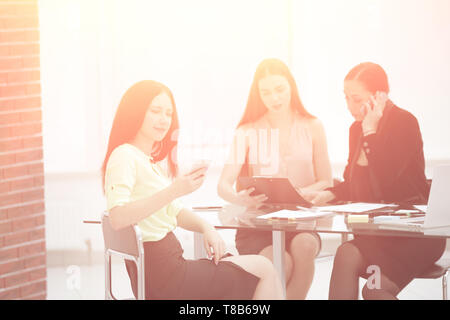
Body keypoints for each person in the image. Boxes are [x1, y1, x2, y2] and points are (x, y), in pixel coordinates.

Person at [101, 80, 284, 300]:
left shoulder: (147, 161)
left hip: (166, 271)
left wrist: (206, 227)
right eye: (155, 111)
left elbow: (174, 211)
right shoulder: (124, 156)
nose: (163, 120)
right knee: (264, 269)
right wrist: (175, 190)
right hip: (165, 277)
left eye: (168, 114)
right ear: (135, 112)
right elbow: (118, 217)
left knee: (238, 263)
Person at [310, 62, 446, 300]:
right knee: (345, 253)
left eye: (356, 98)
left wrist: (371, 132)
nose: (349, 106)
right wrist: (329, 194)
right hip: (379, 233)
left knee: (373, 290)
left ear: (378, 96)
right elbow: (354, 183)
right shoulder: (356, 129)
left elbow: (388, 182)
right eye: (346, 98)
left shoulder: (404, 122)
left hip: (413, 234)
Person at [217, 58, 333, 299]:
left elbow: (326, 181)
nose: (274, 98)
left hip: (301, 220)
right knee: (282, 262)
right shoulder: (246, 131)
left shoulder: (313, 126)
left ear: (291, 86)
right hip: (258, 225)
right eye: (266, 92)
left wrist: (303, 192)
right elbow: (223, 185)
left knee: (305, 246)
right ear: (258, 95)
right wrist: (240, 198)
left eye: (280, 89)